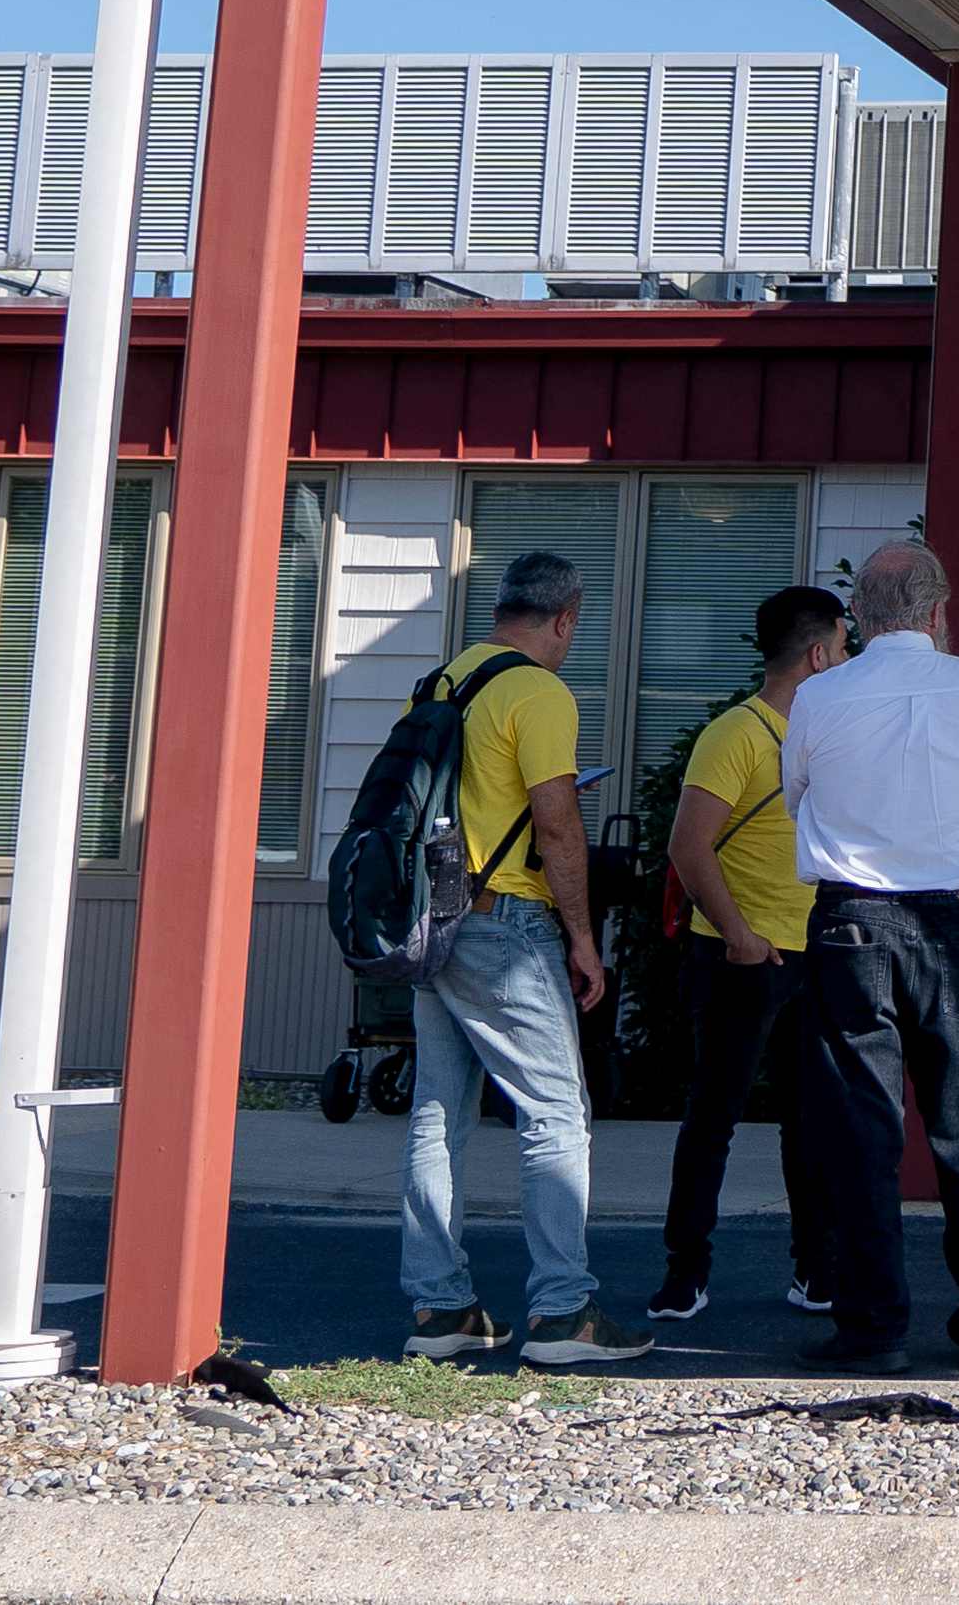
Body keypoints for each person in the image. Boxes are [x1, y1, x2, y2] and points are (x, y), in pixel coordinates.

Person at [397, 550, 652, 1364]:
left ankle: (441, 1310)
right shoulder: (538, 691)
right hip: (506, 922)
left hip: (433, 921)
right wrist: (583, 938)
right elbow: (556, 827)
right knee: (554, 1114)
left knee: (439, 1114)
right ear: (566, 617)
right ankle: (563, 1313)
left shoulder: (444, 680)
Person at [780, 538, 959, 1364]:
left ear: (860, 614)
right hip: (954, 919)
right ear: (938, 611)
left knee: (862, 1131)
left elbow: (797, 796)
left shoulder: (819, 695)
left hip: (851, 917)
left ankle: (872, 1323)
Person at [650, 583, 850, 1327]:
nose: (850, 655)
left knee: (813, 1120)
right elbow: (687, 843)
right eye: (844, 642)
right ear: (818, 652)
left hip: (816, 950)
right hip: (742, 955)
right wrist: (737, 932)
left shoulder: (827, 734)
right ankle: (685, 1272)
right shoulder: (736, 733)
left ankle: (817, 1269)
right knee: (715, 1116)